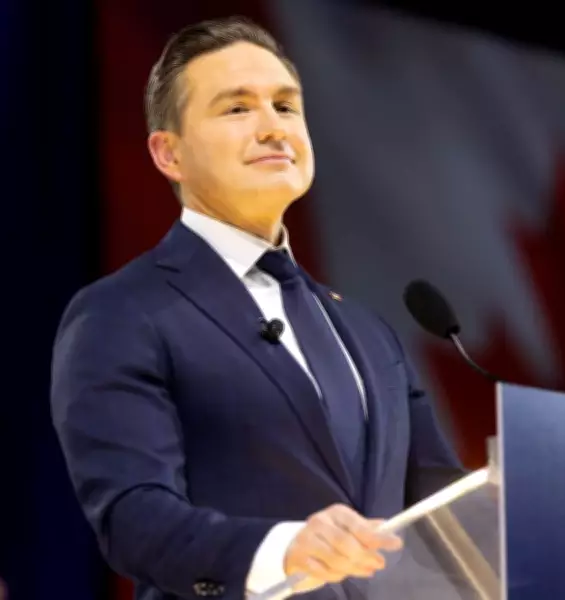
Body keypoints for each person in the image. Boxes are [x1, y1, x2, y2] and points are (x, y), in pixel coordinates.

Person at [50, 15, 466, 600]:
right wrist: (282, 550)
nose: (273, 127)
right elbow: (132, 516)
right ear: (169, 154)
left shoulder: (369, 333)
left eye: (286, 106)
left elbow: (447, 513)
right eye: (237, 108)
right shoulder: (121, 313)